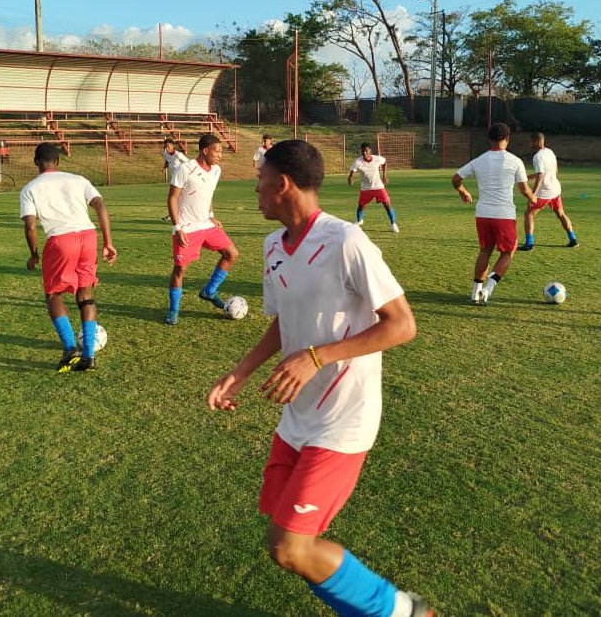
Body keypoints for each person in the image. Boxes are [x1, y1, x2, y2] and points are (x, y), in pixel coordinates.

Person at [207, 140, 432, 617]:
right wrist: (240, 372)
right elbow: (282, 320)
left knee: (292, 547)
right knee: (281, 543)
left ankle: (405, 612)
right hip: (297, 418)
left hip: (343, 419)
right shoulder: (272, 246)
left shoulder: (346, 241)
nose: (256, 188)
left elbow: (402, 324)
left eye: (260, 180)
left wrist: (316, 356)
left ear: (282, 184)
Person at [19, 142, 117, 372]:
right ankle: (89, 356)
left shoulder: (30, 188)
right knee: (85, 293)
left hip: (61, 239)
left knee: (53, 294)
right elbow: (100, 206)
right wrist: (108, 242)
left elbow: (30, 226)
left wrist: (34, 254)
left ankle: (71, 347)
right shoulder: (78, 179)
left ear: (36, 162)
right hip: (87, 236)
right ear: (59, 161)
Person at [452, 123, 536, 306]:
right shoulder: (515, 161)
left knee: (485, 250)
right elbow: (524, 189)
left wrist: (463, 192)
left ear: (489, 139)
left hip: (483, 214)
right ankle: (488, 288)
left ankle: (475, 293)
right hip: (504, 214)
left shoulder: (479, 160)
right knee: (508, 251)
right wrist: (533, 198)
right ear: (507, 138)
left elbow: (456, 178)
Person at [165, 133, 239, 326]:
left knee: (231, 254)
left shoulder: (216, 171)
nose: (220, 155)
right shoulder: (185, 169)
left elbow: (208, 194)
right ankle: (174, 310)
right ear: (205, 151)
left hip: (206, 224)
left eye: (221, 151)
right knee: (180, 269)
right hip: (187, 228)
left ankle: (209, 291)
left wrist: (211, 214)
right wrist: (177, 227)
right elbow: (172, 198)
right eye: (217, 151)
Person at [519, 132, 578, 250]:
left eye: (531, 141)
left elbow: (541, 175)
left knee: (529, 214)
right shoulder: (549, 152)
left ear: (536, 141)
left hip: (544, 192)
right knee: (561, 214)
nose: (530, 144)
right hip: (555, 189)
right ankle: (573, 239)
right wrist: (530, 176)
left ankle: (529, 244)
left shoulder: (537, 157)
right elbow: (550, 170)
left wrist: (533, 195)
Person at [348, 143, 399, 233]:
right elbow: (352, 172)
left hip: (378, 187)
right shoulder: (358, 161)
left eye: (366, 150)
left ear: (370, 151)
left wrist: (384, 175)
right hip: (366, 189)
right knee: (360, 207)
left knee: (387, 205)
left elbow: (385, 162)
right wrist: (350, 178)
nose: (364, 152)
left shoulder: (377, 159)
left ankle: (393, 224)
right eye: (362, 151)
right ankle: (360, 220)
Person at [161, 138, 189, 221]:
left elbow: (188, 163)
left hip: (182, 179)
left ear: (172, 146)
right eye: (165, 146)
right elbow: (167, 161)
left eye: (168, 146)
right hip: (174, 179)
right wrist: (164, 167)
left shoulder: (178, 155)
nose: (166, 148)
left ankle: (176, 215)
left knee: (178, 197)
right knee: (175, 197)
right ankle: (173, 215)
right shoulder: (165, 153)